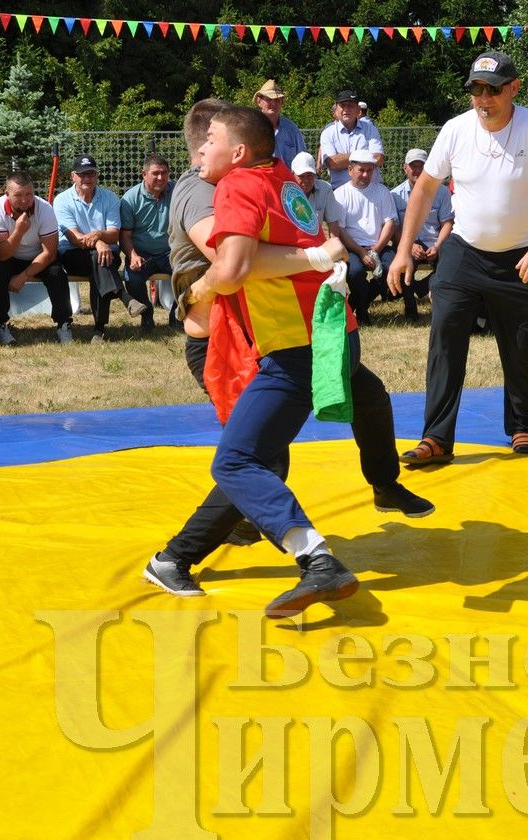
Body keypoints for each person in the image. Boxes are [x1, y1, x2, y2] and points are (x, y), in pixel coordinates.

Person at [143, 103, 431, 609]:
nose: (202, 150)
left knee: (245, 459)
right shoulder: (273, 181)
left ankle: (311, 553)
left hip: (282, 342)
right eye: (203, 141)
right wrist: (318, 255)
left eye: (212, 141)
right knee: (261, 457)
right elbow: (274, 251)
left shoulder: (236, 184)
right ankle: (182, 555)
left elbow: (231, 266)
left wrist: (197, 292)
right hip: (305, 333)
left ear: (235, 151)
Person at [387, 50, 528, 461]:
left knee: (522, 348)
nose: (483, 98)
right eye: (476, 89)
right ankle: (437, 439)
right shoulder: (456, 130)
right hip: (464, 252)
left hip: (522, 257)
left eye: (492, 89)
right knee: (445, 337)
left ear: (513, 88)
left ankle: (522, 429)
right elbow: (424, 188)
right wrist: (403, 249)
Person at [0, 170, 75, 345]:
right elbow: (2, 254)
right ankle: (1, 324)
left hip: (39, 257)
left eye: (29, 194)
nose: (25, 200)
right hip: (8, 257)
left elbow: (49, 253)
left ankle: (64, 324)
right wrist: (19, 231)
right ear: (7, 194)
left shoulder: (45, 209)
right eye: (18, 195)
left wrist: (23, 277)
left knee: (57, 273)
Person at [53, 155, 124, 343]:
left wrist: (100, 238)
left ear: (97, 176)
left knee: (99, 261)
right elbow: (74, 238)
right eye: (82, 174)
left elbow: (115, 234)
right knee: (98, 260)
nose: (87, 178)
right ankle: (102, 326)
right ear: (73, 177)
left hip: (107, 253)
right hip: (73, 254)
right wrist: (100, 241)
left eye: (91, 174)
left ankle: (101, 326)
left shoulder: (109, 197)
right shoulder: (62, 200)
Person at [334, 149, 398, 324]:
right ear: (350, 170)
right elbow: (340, 230)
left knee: (392, 267)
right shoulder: (340, 194)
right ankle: (362, 314)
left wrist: (375, 249)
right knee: (355, 272)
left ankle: (355, 305)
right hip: (352, 247)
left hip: (379, 245)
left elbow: (390, 223)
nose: (365, 175)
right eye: (361, 170)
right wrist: (361, 253)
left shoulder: (382, 191)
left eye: (370, 171)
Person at [391, 148, 455, 321]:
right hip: (408, 242)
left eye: (422, 166)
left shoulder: (443, 193)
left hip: (435, 241)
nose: (417, 170)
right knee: (405, 262)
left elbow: (447, 223)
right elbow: (395, 228)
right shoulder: (395, 195)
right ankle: (410, 309)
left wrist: (438, 245)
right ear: (405, 168)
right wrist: (408, 246)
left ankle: (427, 292)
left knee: (450, 262)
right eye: (413, 166)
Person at [119, 155, 173, 331]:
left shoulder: (177, 191)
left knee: (191, 272)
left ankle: (177, 315)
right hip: (142, 253)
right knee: (132, 279)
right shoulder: (130, 199)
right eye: (155, 173)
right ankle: (147, 314)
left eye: (164, 173)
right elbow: (125, 235)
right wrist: (133, 256)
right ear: (144, 174)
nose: (160, 177)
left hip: (170, 252)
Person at [318, 90, 385, 188]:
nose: (346, 109)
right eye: (342, 105)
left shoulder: (370, 128)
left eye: (350, 105)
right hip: (340, 192)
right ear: (336, 110)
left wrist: (342, 158)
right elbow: (332, 163)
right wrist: (366, 155)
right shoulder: (327, 133)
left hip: (371, 189)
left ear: (358, 110)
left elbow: (379, 158)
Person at [290, 151, 344, 242]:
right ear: (292, 174)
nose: (306, 180)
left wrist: (334, 248)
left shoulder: (326, 189)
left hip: (316, 243)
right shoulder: (284, 192)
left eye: (310, 175)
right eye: (302, 176)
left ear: (315, 174)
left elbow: (333, 223)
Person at [254, 78, 307, 169]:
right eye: (268, 99)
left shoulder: (291, 129)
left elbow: (302, 159)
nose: (273, 103)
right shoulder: (251, 128)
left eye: (277, 100)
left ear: (282, 102)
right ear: (259, 101)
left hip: (287, 181)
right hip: (261, 180)